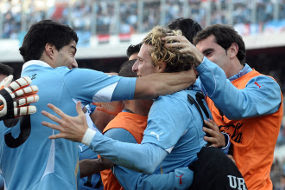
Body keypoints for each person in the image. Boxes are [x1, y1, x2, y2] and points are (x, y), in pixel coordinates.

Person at [0, 19, 197, 190]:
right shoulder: (67, 79)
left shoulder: (6, 98)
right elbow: (150, 86)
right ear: (50, 50)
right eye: (72, 52)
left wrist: (98, 165)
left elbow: (45, 167)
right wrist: (191, 73)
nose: (75, 63)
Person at [165, 24, 283, 190]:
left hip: (252, 186)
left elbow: (237, 106)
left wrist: (201, 62)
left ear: (233, 50)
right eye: (199, 55)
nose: (202, 60)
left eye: (208, 53)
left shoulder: (266, 86)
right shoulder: (204, 85)